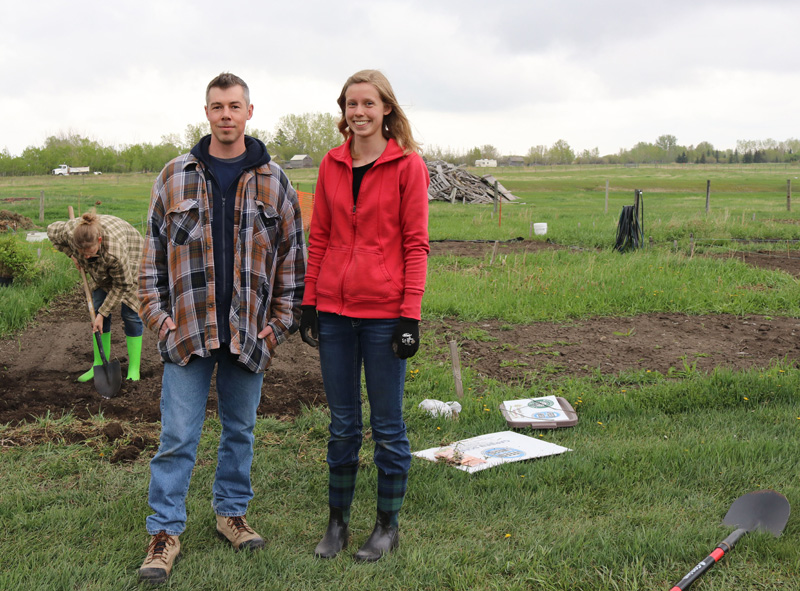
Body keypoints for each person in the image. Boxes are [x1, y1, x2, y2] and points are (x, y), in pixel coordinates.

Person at [137, 72, 305, 584]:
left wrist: (276, 328)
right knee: (177, 436)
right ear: (206, 112)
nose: (226, 114)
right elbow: (150, 264)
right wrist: (162, 324)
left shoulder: (276, 181)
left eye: (235, 106)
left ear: (249, 112)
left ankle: (231, 513)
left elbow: (292, 261)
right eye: (217, 106)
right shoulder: (174, 176)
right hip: (187, 333)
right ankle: (164, 531)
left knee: (241, 432)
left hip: (248, 334)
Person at [299, 69, 430, 562]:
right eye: (351, 104)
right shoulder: (331, 164)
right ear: (344, 111)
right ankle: (337, 524)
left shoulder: (406, 166)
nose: (359, 113)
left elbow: (416, 245)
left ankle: (386, 526)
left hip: (383, 315)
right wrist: (310, 302)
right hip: (334, 312)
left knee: (389, 424)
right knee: (343, 425)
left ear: (386, 110)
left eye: (368, 104)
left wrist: (409, 315)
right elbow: (321, 238)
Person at [47, 212, 145, 382]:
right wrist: (71, 254)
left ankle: (134, 368)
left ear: (99, 241)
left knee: (130, 314)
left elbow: (123, 285)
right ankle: (99, 364)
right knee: (98, 307)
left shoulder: (115, 253)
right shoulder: (71, 233)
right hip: (99, 266)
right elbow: (50, 231)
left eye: (89, 252)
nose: (85, 256)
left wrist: (103, 313)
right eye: (81, 253)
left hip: (131, 257)